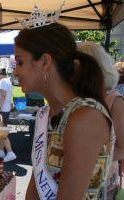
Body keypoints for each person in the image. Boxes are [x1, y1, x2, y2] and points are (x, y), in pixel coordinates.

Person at [14, 23, 113, 199]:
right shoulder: (47, 113)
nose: (15, 71)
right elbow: (37, 182)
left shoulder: (85, 117)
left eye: (20, 62)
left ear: (45, 62)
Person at [78, 42, 124, 197]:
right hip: (78, 182)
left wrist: (87, 158)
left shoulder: (114, 101)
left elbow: (122, 148)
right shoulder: (80, 99)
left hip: (102, 186)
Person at [0, 67, 16, 162]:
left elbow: (3, 96)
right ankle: (1, 151)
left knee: (2, 132)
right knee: (0, 132)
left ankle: (10, 153)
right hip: (3, 110)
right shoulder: (5, 81)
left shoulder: (4, 82)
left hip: (2, 110)